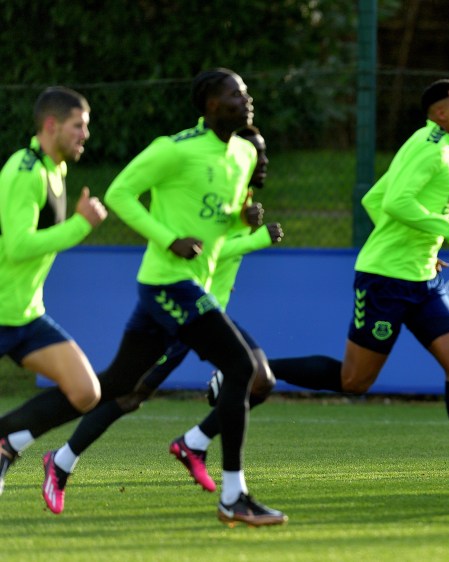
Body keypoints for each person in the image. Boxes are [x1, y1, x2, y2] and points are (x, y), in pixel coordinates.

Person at [248, 79, 449, 512]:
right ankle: (250, 369)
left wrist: (422, 248)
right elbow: (397, 202)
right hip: (384, 280)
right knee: (354, 381)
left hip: (419, 279)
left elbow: (376, 199)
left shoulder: (428, 142)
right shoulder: (432, 149)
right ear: (439, 113)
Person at [28, 69, 285, 526]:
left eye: (246, 93)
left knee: (119, 387)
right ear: (208, 105)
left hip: (196, 292)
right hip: (169, 284)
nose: (245, 100)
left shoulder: (243, 152)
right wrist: (168, 239)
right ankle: (232, 495)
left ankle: (26, 443)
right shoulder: (175, 148)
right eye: (233, 93)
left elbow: (219, 229)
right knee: (242, 368)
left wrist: (244, 222)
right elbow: (122, 194)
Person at [0, 87, 107, 496]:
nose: (85, 134)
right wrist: (81, 225)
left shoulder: (54, 170)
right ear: (51, 125)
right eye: (78, 125)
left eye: (86, 126)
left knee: (85, 391)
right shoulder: (23, 170)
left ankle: (6, 442)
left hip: (25, 314)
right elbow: (18, 245)